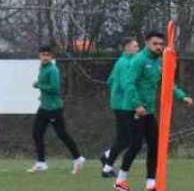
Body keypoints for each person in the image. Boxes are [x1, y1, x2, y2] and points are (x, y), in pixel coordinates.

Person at [114, 31, 193, 191]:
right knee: (135, 145)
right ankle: (120, 181)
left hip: (148, 111)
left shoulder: (158, 61)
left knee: (155, 146)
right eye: (155, 44)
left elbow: (167, 83)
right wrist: (136, 105)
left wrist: (182, 96)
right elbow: (128, 84)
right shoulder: (139, 60)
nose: (159, 47)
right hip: (133, 110)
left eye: (160, 44)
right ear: (147, 43)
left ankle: (151, 185)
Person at [28, 45, 86, 174]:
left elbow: (54, 88)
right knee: (37, 134)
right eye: (43, 55)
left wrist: (38, 85)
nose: (45, 57)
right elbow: (47, 89)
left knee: (62, 134)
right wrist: (42, 95)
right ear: (39, 56)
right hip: (44, 107)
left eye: (47, 55)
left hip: (53, 109)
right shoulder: (42, 68)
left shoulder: (53, 70)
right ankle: (41, 162)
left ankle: (78, 158)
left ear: (51, 56)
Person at [100, 37, 140, 178]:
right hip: (122, 105)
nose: (137, 49)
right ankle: (107, 167)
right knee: (125, 139)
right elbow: (125, 85)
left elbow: (110, 80)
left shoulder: (124, 62)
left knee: (125, 138)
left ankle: (107, 158)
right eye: (135, 46)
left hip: (121, 103)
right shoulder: (124, 63)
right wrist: (135, 102)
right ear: (127, 48)